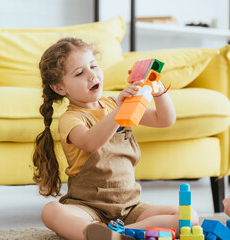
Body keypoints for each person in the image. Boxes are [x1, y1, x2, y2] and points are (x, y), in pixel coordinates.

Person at [32, 37, 199, 240]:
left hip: (130, 207)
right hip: (89, 208)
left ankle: (122, 234)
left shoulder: (114, 105)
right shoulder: (71, 118)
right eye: (79, 73)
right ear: (59, 88)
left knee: (188, 216)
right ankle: (100, 231)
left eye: (93, 66)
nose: (92, 74)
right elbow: (91, 142)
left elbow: (164, 119)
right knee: (51, 211)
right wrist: (119, 110)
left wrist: (157, 90)